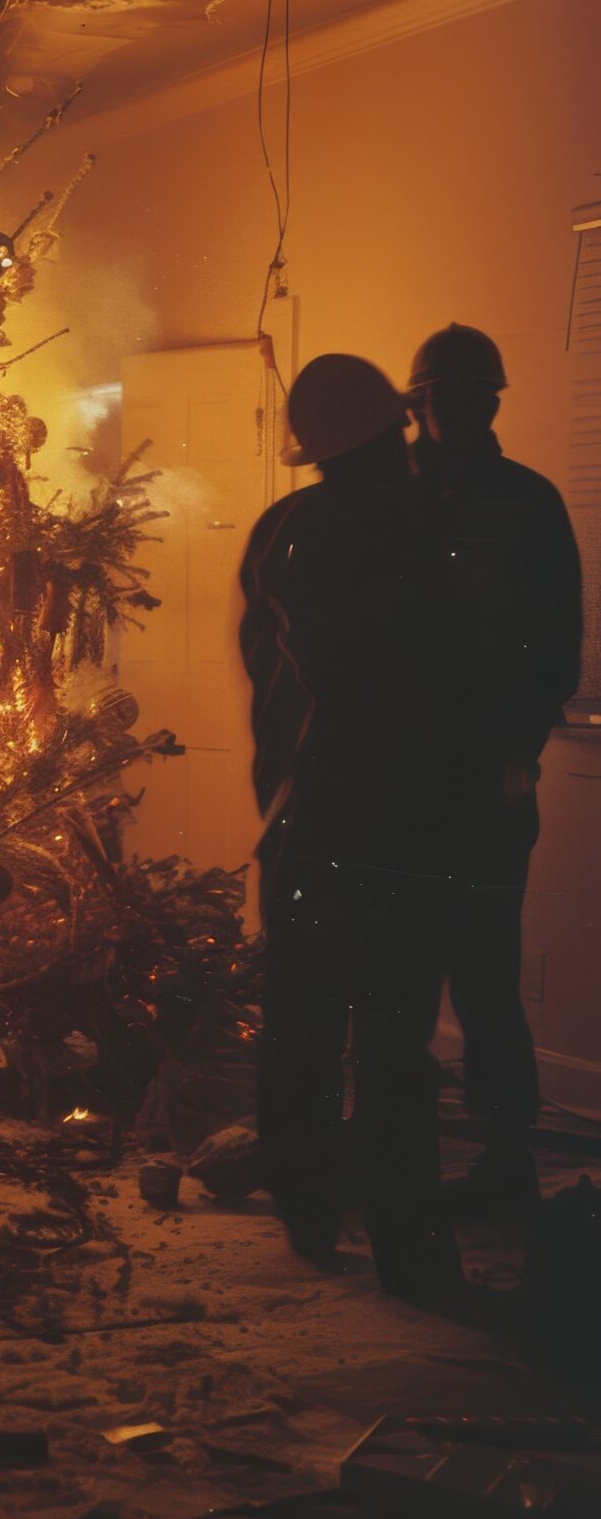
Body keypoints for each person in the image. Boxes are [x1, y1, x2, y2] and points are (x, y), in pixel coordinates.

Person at [240, 354, 470, 1301]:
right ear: (388, 436)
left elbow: (272, 686)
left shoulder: (281, 532)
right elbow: (454, 682)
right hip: (402, 830)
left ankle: (306, 1210)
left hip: (306, 820)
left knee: (299, 1023)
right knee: (393, 1041)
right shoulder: (419, 529)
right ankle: (409, 1253)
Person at [407, 325, 582, 1218]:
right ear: (418, 404)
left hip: (481, 782)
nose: (460, 413)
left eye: (474, 397)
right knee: (401, 976)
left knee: (481, 975)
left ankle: (503, 1151)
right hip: (402, 783)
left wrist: (516, 750)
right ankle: (400, 1151)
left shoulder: (526, 502)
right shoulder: (388, 500)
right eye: (448, 397)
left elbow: (555, 645)